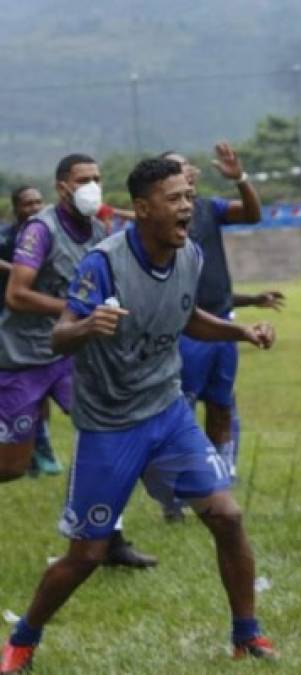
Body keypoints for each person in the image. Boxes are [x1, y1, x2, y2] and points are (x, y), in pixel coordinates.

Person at [0, 158, 278, 674]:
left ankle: (247, 633)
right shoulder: (102, 265)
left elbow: (188, 316)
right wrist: (88, 326)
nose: (187, 206)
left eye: (189, 197)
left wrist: (241, 331)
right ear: (144, 210)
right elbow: (61, 334)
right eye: (175, 199)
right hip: (110, 427)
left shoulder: (189, 255)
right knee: (86, 555)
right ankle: (21, 640)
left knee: (227, 516)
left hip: (167, 412)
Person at [0, 155, 155, 568]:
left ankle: (111, 539)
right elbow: (17, 294)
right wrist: (74, 311)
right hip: (24, 358)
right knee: (12, 466)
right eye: (83, 179)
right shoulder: (40, 230)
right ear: (63, 187)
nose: (92, 186)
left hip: (73, 354)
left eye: (98, 178)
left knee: (108, 435)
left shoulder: (101, 229)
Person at [159, 145, 282, 523]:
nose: (189, 172)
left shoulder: (209, 209)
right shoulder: (158, 223)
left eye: (188, 167)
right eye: (178, 169)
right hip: (185, 330)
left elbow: (252, 213)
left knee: (221, 404)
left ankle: (219, 477)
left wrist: (241, 179)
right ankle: (173, 491)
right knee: (181, 409)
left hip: (223, 325)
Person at [0, 187, 62, 476]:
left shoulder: (48, 234)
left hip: (42, 326)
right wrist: (17, 268)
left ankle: (41, 447)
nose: (35, 207)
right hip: (8, 324)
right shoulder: (6, 238)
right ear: (16, 208)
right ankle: (30, 450)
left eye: (39, 201)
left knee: (44, 389)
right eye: (28, 203)